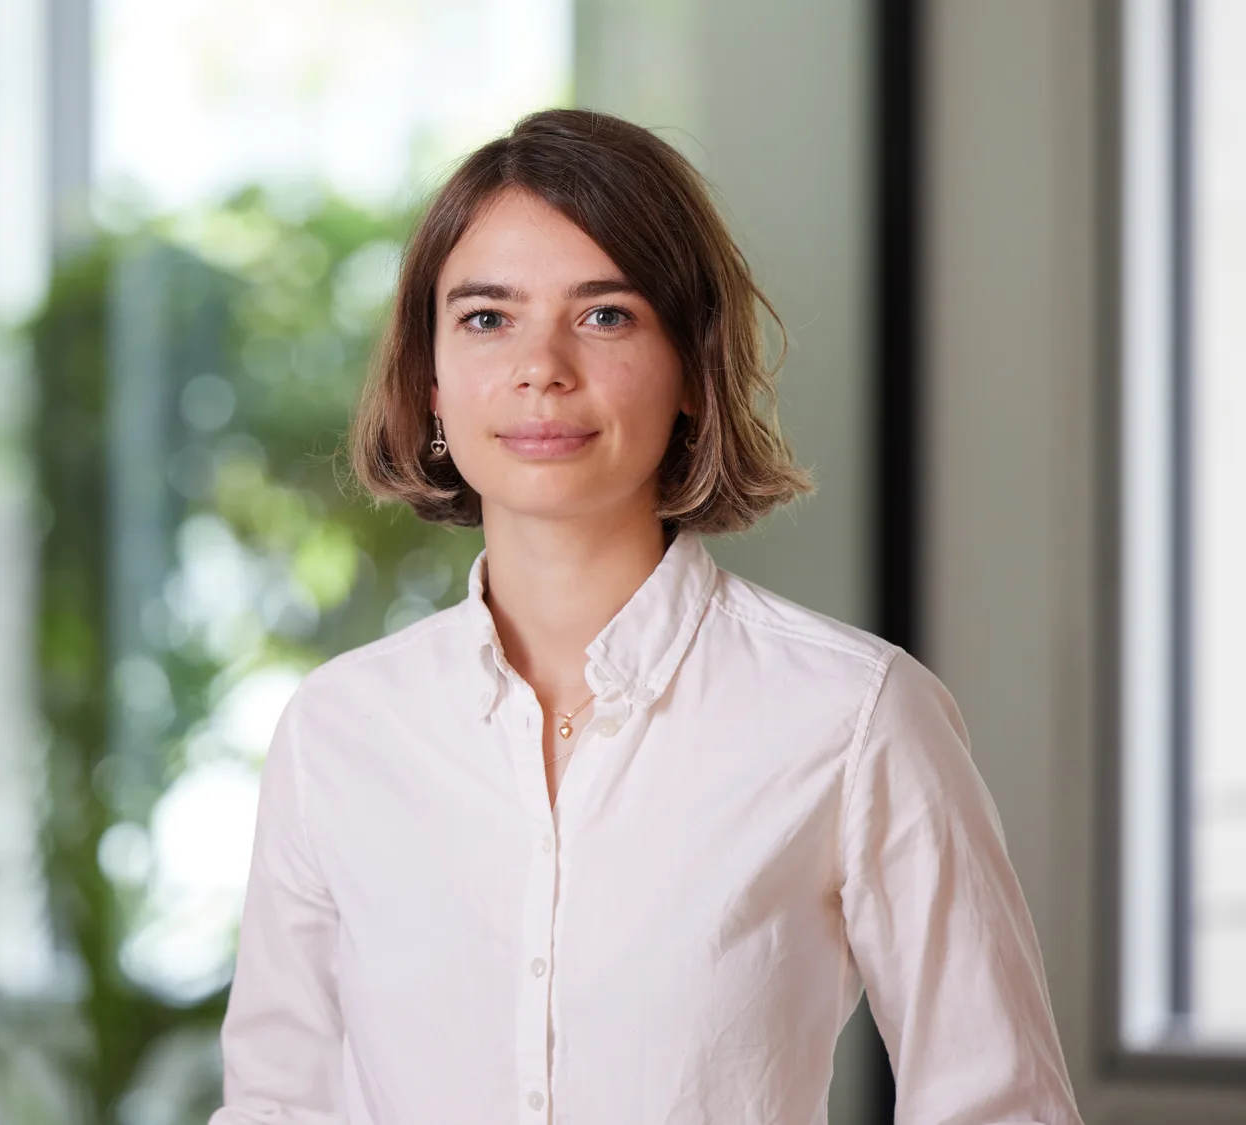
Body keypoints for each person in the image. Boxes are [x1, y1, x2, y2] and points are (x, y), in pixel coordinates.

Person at [208, 108, 1083, 1124]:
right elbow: (279, 1108)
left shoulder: (853, 718)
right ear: (429, 381)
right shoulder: (337, 732)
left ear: (691, 371)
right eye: (486, 318)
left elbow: (996, 1106)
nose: (541, 366)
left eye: (604, 315)